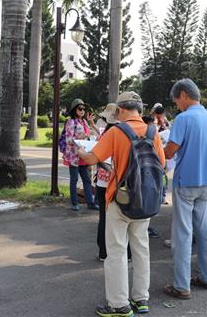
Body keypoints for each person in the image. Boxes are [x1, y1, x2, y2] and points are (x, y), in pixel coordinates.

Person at [78, 92, 165, 317]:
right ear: (138, 108)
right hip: (145, 200)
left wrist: (79, 151)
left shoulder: (116, 132)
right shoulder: (153, 132)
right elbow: (162, 163)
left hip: (121, 199)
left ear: (121, 110)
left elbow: (92, 159)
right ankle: (141, 299)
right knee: (141, 249)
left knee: (116, 251)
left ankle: (118, 305)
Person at [163, 78, 207, 300]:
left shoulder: (183, 119)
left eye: (177, 100)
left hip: (185, 181)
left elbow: (169, 152)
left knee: (183, 234)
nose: (177, 104)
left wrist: (158, 144)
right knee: (204, 231)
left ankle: (181, 285)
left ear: (184, 95)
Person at [95, 103, 132, 262]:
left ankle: (103, 252)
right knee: (125, 219)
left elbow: (95, 156)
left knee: (104, 218)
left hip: (103, 184)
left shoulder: (104, 134)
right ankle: (127, 253)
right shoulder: (124, 133)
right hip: (120, 183)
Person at [63, 98, 98, 211]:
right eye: (80, 108)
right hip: (74, 156)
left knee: (87, 180)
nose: (82, 111)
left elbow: (88, 137)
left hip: (84, 155)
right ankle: (74, 203)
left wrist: (90, 135)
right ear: (74, 110)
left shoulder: (84, 122)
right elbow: (68, 140)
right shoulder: (70, 122)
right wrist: (81, 137)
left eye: (84, 108)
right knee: (74, 180)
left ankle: (90, 203)